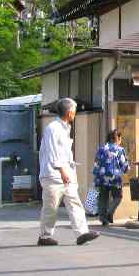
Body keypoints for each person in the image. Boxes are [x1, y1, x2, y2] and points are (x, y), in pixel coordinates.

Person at [38, 98, 100, 246]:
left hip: (66, 174)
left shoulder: (65, 127)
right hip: (53, 175)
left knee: (75, 204)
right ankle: (45, 236)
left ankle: (82, 233)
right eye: (75, 110)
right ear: (70, 112)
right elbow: (53, 153)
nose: (75, 113)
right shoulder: (53, 128)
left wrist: (68, 171)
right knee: (51, 207)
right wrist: (62, 171)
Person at [93, 129, 129, 226]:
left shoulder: (101, 148)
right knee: (118, 196)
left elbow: (96, 163)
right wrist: (126, 169)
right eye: (120, 138)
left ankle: (103, 218)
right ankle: (109, 211)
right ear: (118, 138)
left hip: (101, 177)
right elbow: (124, 165)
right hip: (114, 177)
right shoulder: (120, 150)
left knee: (103, 198)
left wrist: (96, 175)